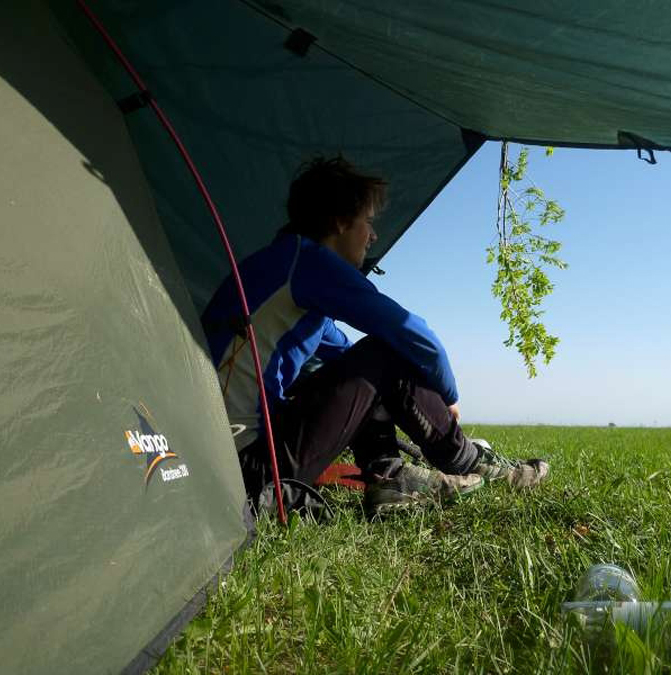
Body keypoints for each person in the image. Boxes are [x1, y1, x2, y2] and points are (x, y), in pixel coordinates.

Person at [202, 157, 548, 518]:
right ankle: (468, 462)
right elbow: (410, 332)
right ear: (339, 221)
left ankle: (390, 478)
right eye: (368, 221)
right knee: (385, 350)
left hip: (228, 461)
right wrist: (448, 396)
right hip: (247, 470)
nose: (373, 235)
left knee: (374, 363)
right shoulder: (306, 262)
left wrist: (400, 398)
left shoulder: (278, 268)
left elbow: (351, 365)